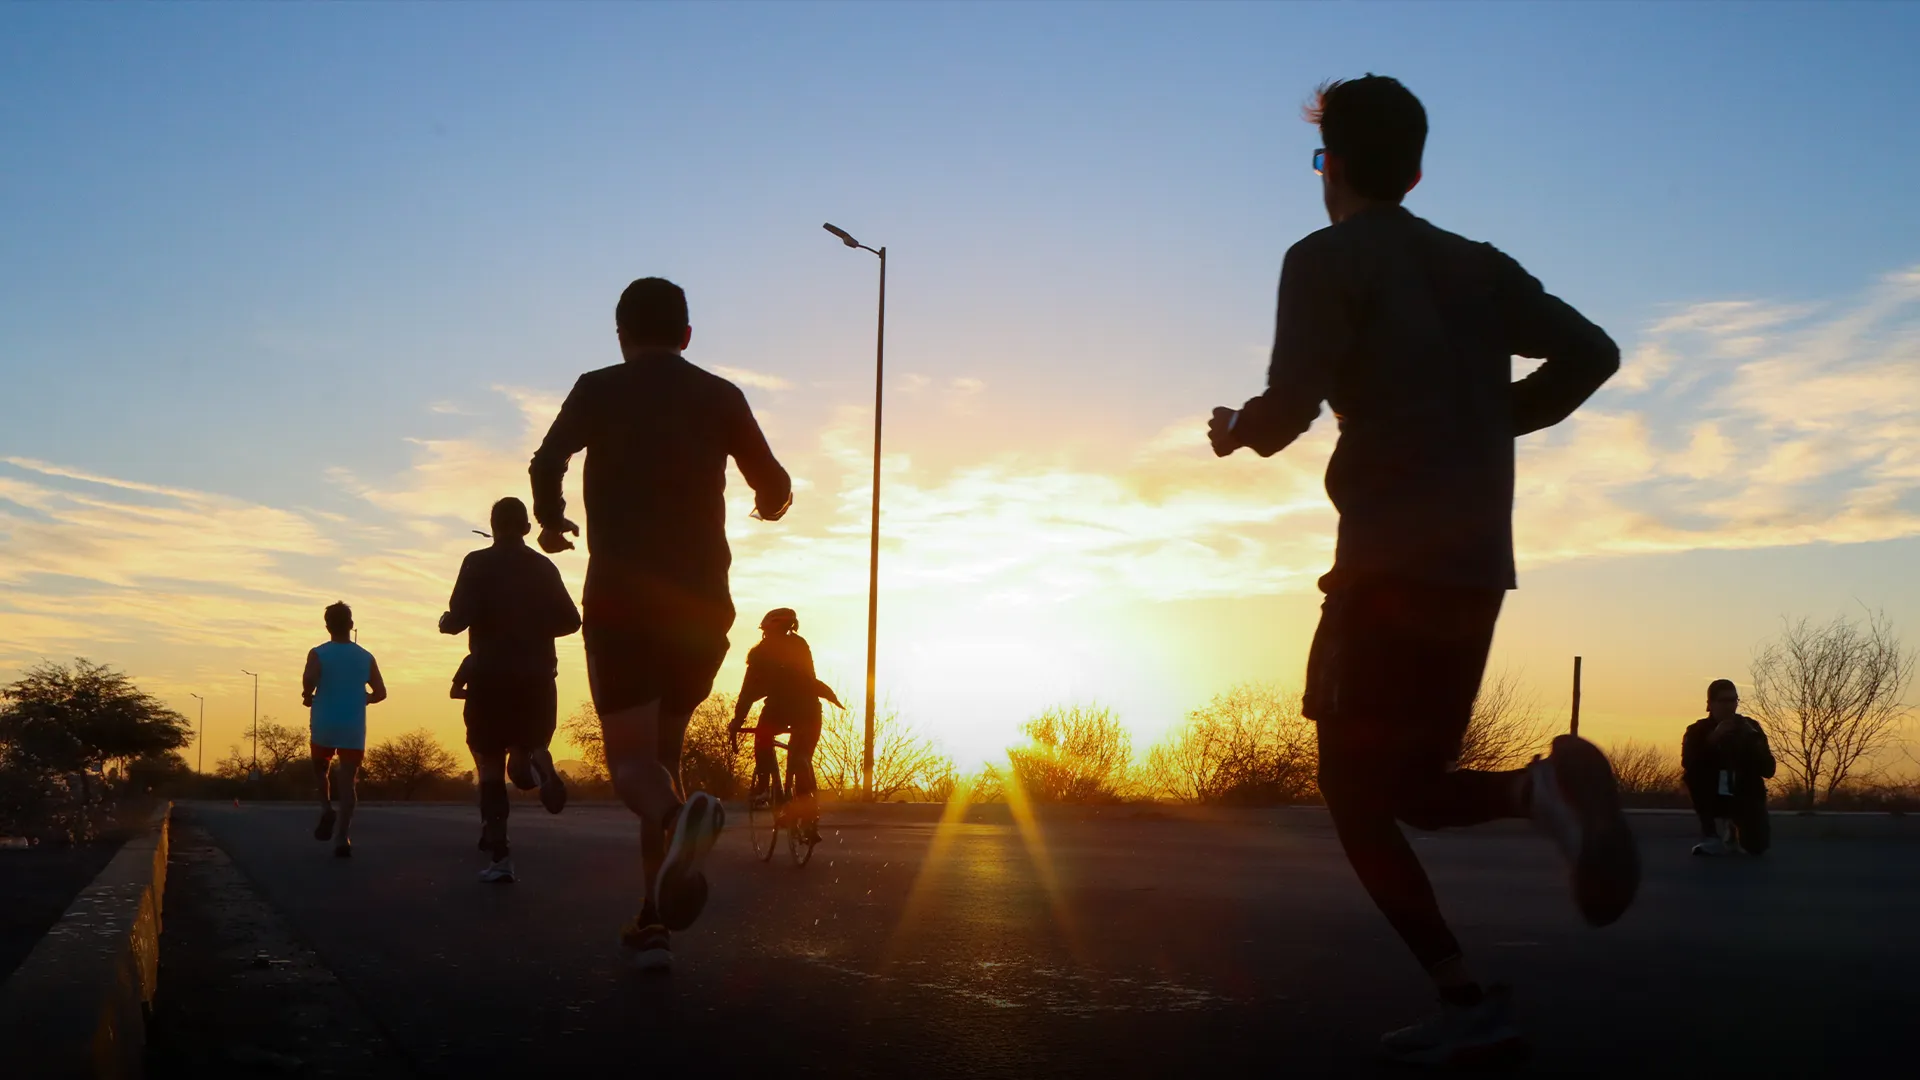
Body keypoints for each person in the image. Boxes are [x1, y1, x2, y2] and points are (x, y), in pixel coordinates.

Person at [1206, 75, 1632, 1066]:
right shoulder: (1479, 267)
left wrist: (1236, 431)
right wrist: (1487, 422)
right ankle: (1532, 819)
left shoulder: (1326, 258)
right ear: (1417, 169)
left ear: (1334, 165)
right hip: (1477, 565)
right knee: (1410, 787)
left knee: (1356, 793)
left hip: (1385, 564)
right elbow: (1593, 352)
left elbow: (1290, 405)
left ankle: (1475, 974)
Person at [530, 276, 792, 970]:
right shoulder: (721, 395)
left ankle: (681, 824)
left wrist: (552, 520)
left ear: (621, 335)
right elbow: (774, 483)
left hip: (622, 602)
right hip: (702, 607)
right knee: (663, 761)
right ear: (686, 335)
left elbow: (547, 460)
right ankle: (654, 920)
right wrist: (769, 507)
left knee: (632, 768)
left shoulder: (598, 389)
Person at [440, 496, 583, 884]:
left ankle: (501, 857)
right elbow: (572, 620)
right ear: (526, 528)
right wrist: (533, 628)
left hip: (489, 676)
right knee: (523, 758)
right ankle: (539, 758)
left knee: (490, 766)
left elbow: (458, 619)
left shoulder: (476, 563)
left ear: (492, 526)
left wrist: (447, 622)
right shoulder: (543, 567)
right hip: (537, 677)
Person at [728, 608, 843, 846]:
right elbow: (808, 679)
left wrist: (737, 722)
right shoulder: (801, 645)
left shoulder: (760, 653)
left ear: (768, 630)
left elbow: (748, 692)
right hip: (809, 709)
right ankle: (808, 818)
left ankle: (764, 785)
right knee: (801, 758)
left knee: (763, 737)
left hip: (779, 709)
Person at [301, 602, 386, 858]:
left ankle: (326, 807)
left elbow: (310, 678)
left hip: (324, 722)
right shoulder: (365, 657)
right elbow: (380, 693)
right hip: (352, 726)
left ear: (327, 626)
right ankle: (342, 837)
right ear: (351, 624)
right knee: (348, 782)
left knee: (321, 770)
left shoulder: (318, 653)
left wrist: (307, 694)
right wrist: (364, 699)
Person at [1682, 679, 1775, 856]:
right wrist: (1713, 739)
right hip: (1712, 792)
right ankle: (1711, 834)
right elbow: (1689, 764)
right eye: (1723, 701)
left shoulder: (1751, 727)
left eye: (1733, 700)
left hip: (1743, 792)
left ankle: (1734, 829)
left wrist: (1754, 745)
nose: (1729, 706)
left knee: (1757, 847)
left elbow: (1769, 770)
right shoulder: (1697, 730)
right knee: (1692, 775)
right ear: (1710, 704)